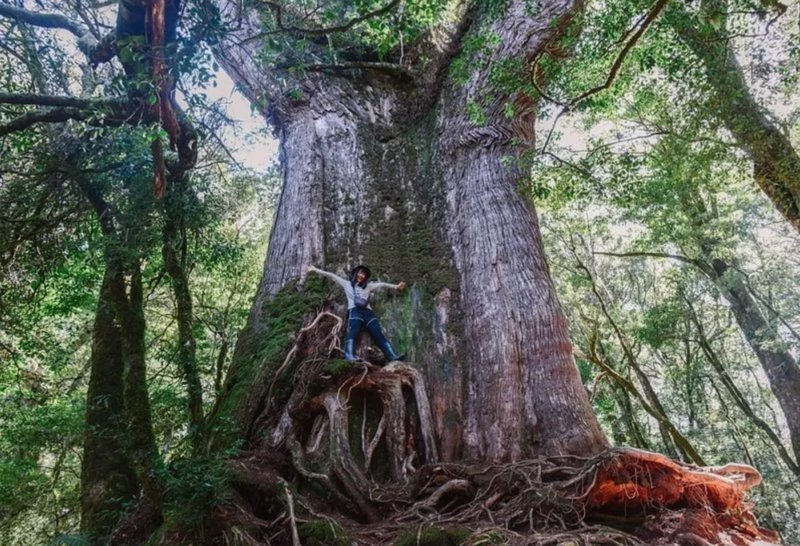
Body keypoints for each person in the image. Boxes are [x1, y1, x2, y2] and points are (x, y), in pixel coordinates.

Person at [307, 264, 406, 362]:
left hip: (368, 313)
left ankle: (392, 356)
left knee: (378, 334)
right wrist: (315, 269)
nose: (361, 276)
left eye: (364, 275)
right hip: (355, 311)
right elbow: (332, 275)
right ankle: (349, 356)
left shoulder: (368, 286)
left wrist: (396, 286)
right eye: (360, 273)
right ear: (355, 274)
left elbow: (382, 284)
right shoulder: (346, 284)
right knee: (353, 333)